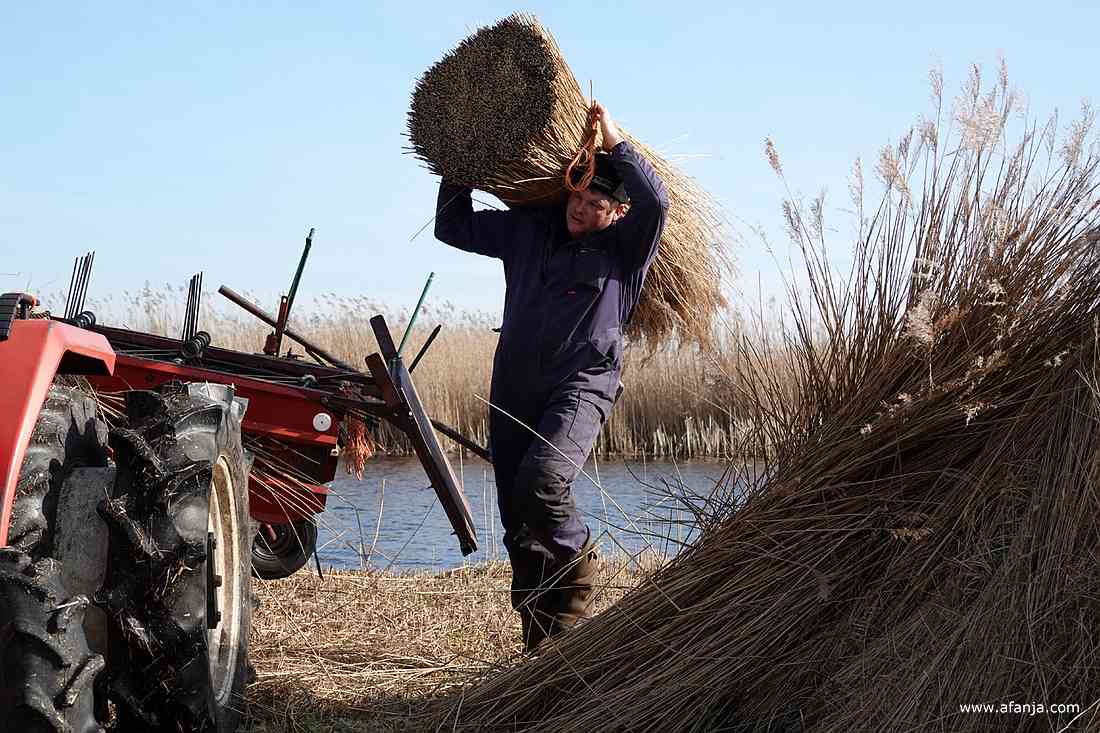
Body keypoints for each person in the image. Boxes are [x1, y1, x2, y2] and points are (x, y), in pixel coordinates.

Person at [434, 102, 668, 650]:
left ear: (615, 214)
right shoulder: (529, 232)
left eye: (596, 204)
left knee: (544, 481)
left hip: (581, 384)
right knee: (519, 514)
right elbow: (453, 225)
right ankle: (544, 643)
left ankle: (579, 569)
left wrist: (615, 143)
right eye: (579, 197)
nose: (581, 210)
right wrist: (459, 158)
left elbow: (656, 202)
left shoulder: (623, 252)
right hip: (514, 385)